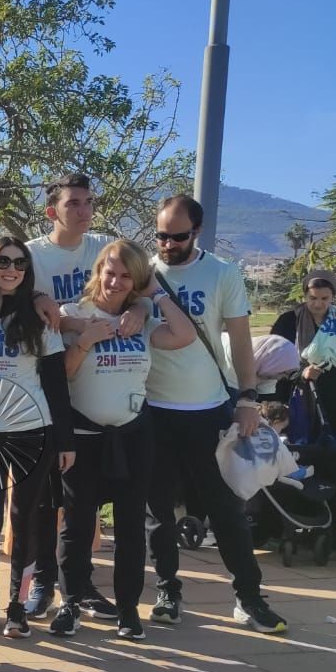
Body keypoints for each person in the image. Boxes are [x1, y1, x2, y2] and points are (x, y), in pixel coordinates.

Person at [144, 195, 287, 634]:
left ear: (197, 232)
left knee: (225, 510)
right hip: (153, 410)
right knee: (158, 512)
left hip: (207, 410)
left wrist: (248, 399)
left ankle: (248, 596)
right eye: (161, 236)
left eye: (178, 236)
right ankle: (167, 590)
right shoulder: (143, 273)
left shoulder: (223, 273)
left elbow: (241, 340)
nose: (168, 245)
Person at [55, 239, 194, 642]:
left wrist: (153, 297)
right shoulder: (74, 314)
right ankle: (71, 603)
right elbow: (61, 374)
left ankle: (129, 609)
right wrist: (86, 340)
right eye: (110, 272)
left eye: (126, 276)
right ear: (98, 271)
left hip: (133, 434)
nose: (115, 282)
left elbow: (184, 335)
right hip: (85, 435)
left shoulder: (141, 320)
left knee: (131, 525)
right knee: (78, 525)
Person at [22, 173, 143, 618]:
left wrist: (140, 307)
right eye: (73, 203)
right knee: (43, 496)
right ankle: (40, 582)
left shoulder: (105, 247)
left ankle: (80, 587)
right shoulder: (31, 255)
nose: (83, 210)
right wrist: (64, 317)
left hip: (91, 384)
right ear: (51, 210)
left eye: (88, 202)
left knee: (81, 506)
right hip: (43, 381)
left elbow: (140, 285)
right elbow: (16, 301)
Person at [0, 237, 74, 639]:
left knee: (24, 518)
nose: (11, 269)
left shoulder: (39, 317)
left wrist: (65, 441)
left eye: (20, 263)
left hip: (32, 429)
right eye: (3, 261)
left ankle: (16, 607)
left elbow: (56, 382)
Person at [269, 272, 336, 438]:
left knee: (332, 443)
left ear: (333, 297)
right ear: (305, 295)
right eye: (313, 298)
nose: (318, 304)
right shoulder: (289, 321)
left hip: (334, 398)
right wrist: (302, 373)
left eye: (324, 298)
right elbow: (273, 360)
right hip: (296, 395)